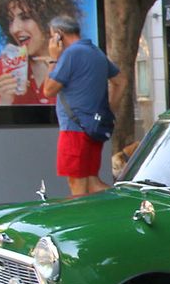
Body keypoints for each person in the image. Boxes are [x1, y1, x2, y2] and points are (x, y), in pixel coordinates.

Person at [41, 15, 123, 198]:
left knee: (77, 185)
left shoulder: (70, 54)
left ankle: (85, 219)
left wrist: (53, 59)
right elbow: (120, 81)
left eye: (51, 36)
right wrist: (110, 108)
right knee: (92, 183)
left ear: (58, 35)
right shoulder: (95, 52)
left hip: (73, 129)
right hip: (92, 128)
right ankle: (123, 202)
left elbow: (48, 90)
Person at [0, 0, 80, 106]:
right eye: (10, 20)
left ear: (49, 19)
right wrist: (5, 101)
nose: (14, 29)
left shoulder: (77, 65)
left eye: (25, 17)